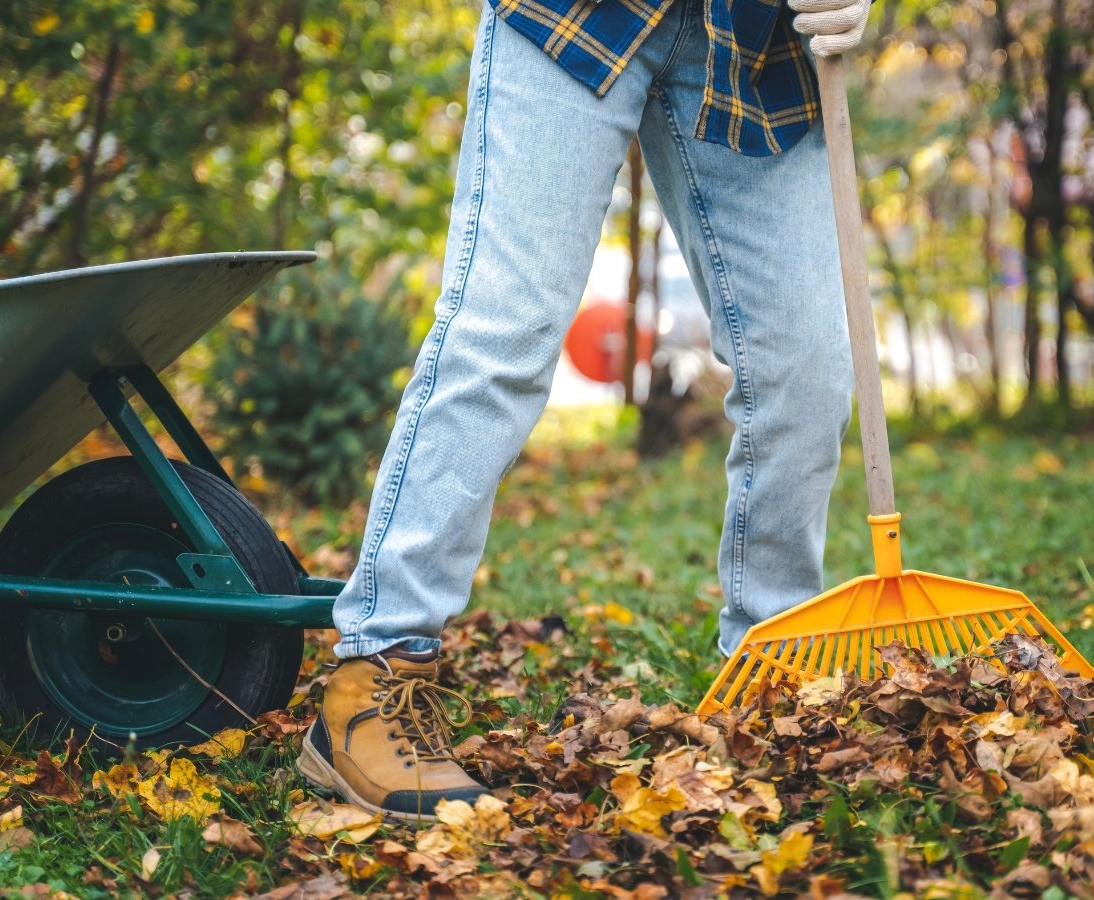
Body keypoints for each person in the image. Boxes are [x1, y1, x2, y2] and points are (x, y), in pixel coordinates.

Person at [296, 0, 872, 821]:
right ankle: (376, 671)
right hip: (577, 17)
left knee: (810, 366)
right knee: (507, 331)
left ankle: (768, 666)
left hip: (750, 44)